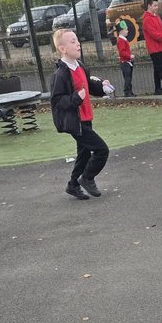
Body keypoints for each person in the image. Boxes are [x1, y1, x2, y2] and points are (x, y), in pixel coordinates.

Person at [49, 28, 110, 201]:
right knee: (101, 150)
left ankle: (73, 185)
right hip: (75, 121)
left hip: (86, 117)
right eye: (73, 41)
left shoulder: (80, 66)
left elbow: (88, 85)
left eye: (77, 40)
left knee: (84, 154)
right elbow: (57, 101)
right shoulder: (60, 74)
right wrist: (76, 98)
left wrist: (102, 87)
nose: (78, 44)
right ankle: (87, 178)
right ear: (62, 49)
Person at [142, 0, 162, 94]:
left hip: (159, 47)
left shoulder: (156, 17)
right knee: (161, 68)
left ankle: (158, 88)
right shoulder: (147, 19)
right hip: (154, 48)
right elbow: (153, 34)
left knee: (157, 69)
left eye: (157, 5)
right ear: (149, 6)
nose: (157, 7)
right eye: (155, 6)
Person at [115, 27, 135, 97]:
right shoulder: (121, 40)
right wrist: (129, 56)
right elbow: (122, 52)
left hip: (127, 61)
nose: (127, 31)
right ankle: (127, 92)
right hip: (125, 62)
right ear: (121, 31)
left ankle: (130, 91)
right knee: (127, 78)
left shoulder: (123, 39)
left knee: (128, 77)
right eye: (126, 30)